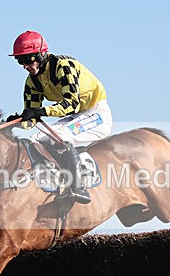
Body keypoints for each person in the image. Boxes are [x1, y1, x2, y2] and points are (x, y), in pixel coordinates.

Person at [7, 30, 113, 204]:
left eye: (27, 60)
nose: (24, 66)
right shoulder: (32, 82)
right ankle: (57, 183)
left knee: (61, 137)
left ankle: (78, 187)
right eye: (20, 61)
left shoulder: (64, 66)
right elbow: (31, 120)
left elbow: (71, 104)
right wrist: (17, 122)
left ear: (41, 54)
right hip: (75, 117)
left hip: (96, 113)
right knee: (36, 139)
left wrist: (40, 112)